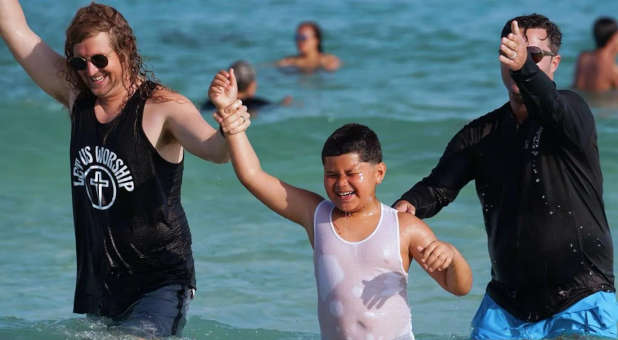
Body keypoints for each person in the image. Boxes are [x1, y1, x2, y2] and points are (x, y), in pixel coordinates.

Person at [0, 1, 249, 338]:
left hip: (160, 283)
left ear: (125, 52)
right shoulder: (77, 97)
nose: (90, 71)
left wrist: (229, 126)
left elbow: (214, 150)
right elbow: (14, 27)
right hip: (102, 286)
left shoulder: (163, 108)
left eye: (100, 59)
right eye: (80, 61)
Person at [394, 14, 617, 339]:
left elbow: (550, 104)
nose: (519, 63)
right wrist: (407, 205)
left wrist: (524, 68)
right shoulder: (481, 134)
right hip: (508, 307)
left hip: (583, 297)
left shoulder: (573, 114)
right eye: (511, 54)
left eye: (533, 56)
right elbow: (437, 188)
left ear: (555, 63)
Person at [208, 69, 472, 339]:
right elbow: (253, 176)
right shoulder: (316, 216)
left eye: (351, 174)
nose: (341, 184)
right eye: (332, 175)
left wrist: (453, 257)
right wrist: (232, 119)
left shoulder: (404, 228)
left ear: (379, 173)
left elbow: (459, 287)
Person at [202, 60, 291, 116]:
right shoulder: (258, 104)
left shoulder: (212, 103)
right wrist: (282, 104)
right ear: (252, 85)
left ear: (229, 82)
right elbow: (273, 108)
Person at [573, 17, 618, 92]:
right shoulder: (612, 69)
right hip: (602, 103)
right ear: (614, 38)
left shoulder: (582, 57)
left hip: (579, 101)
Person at [277, 21, 341, 73]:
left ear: (316, 40)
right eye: (297, 38)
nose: (299, 41)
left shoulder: (328, 60)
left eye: (303, 38)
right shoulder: (289, 61)